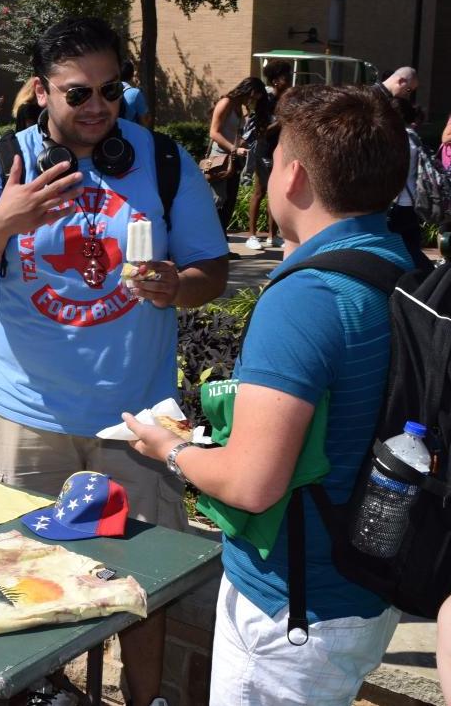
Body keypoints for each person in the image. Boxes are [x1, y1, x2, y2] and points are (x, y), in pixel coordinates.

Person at [0, 17, 229, 706]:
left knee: (144, 580)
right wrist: (4, 219)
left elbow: (211, 270)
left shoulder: (161, 160)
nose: (98, 107)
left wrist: (175, 283)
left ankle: (146, 698)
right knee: (22, 572)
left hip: (138, 419)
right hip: (28, 418)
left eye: (110, 89)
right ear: (40, 91)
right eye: (77, 94)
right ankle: (42, 694)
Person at [123, 84, 413, 705]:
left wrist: (167, 451)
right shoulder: (395, 261)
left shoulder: (306, 299)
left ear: (296, 176)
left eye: (275, 156)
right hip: (363, 589)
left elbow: (253, 483)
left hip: (291, 611)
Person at [208, 77, 267, 233]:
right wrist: (234, 148)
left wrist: (242, 142)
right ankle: (214, 244)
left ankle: (222, 243)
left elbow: (231, 132)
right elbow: (214, 133)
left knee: (229, 202)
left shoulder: (238, 107)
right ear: (248, 91)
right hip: (220, 159)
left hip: (232, 160)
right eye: (253, 98)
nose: (252, 101)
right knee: (218, 201)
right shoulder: (225, 103)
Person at [242, 62, 291, 250]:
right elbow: (259, 132)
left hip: (282, 150)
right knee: (260, 191)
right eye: (286, 77)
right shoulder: (266, 101)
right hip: (264, 151)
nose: (289, 81)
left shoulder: (286, 100)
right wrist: (279, 124)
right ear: (276, 81)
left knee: (276, 193)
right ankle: (252, 235)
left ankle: (273, 235)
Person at [389, 96, 431, 269]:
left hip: (398, 202)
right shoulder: (414, 137)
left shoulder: (399, 138)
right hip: (413, 200)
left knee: (397, 247)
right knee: (411, 244)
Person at [119, 59, 152, 128]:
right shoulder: (135, 93)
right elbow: (144, 122)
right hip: (130, 135)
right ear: (132, 74)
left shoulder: (108, 91)